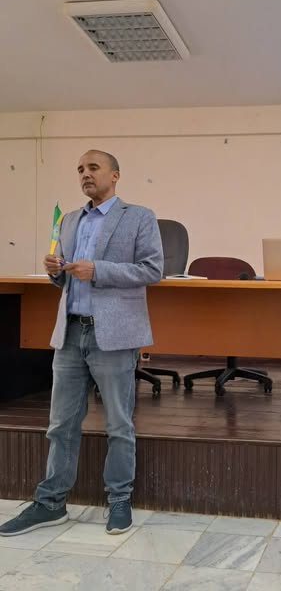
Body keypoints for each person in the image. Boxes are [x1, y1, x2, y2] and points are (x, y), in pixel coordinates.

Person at [0, 149, 163, 536]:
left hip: (114, 334)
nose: (85, 174)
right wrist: (55, 272)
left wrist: (98, 270)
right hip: (70, 332)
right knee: (60, 425)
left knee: (118, 423)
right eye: (79, 170)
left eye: (93, 167)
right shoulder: (70, 220)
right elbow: (67, 278)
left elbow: (152, 269)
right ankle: (50, 503)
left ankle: (119, 500)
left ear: (115, 175)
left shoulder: (139, 217)